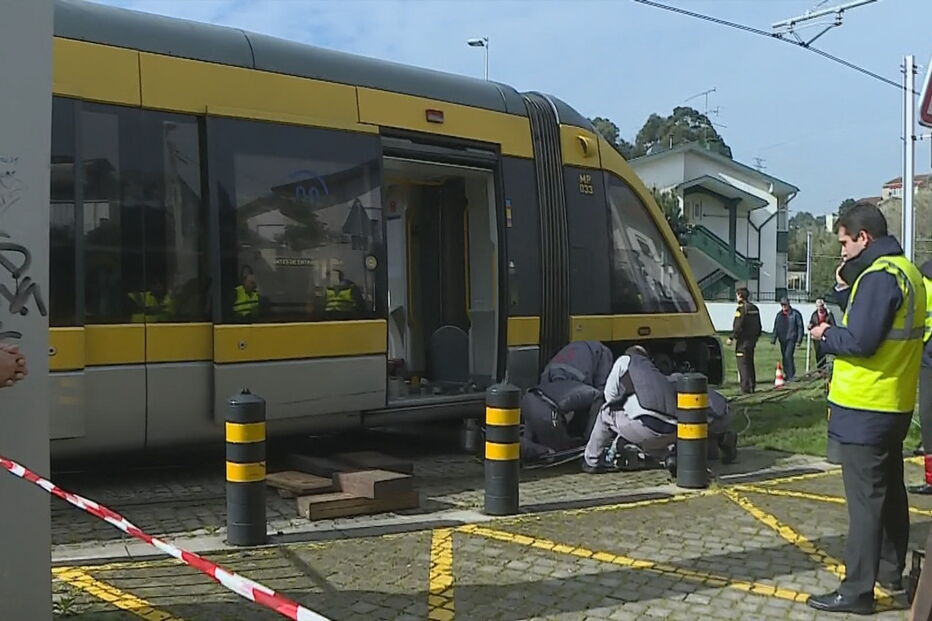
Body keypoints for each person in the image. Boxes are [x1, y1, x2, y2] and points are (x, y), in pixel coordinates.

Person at [807, 201, 924, 614]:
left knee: (865, 503)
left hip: (865, 406)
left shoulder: (878, 277)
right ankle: (890, 571)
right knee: (889, 493)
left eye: (844, 243)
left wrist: (826, 334)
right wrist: (845, 291)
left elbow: (861, 341)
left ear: (864, 237)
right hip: (894, 402)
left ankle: (857, 590)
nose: (841, 251)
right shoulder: (907, 273)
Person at [583, 346, 731, 473]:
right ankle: (669, 457)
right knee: (662, 430)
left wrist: (622, 401)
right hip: (673, 431)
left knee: (605, 412)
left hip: (645, 427)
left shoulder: (626, 360)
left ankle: (592, 461)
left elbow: (610, 395)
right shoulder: (660, 376)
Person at [910, 259, 932, 495]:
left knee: (929, 418)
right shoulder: (922, 280)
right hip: (927, 353)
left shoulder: (922, 280)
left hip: (927, 353)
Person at [726, 287, 761, 394]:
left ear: (740, 296)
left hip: (743, 341)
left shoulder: (741, 309)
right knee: (750, 362)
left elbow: (738, 325)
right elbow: (759, 325)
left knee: (743, 364)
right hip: (752, 340)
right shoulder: (754, 308)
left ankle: (745, 388)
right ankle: (752, 385)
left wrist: (731, 337)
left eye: (737, 295)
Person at [771, 297, 804, 381]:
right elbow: (776, 327)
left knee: (788, 356)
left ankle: (791, 375)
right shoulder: (779, 315)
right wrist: (774, 338)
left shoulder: (795, 314)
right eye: (782, 305)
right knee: (784, 357)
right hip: (782, 339)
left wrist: (799, 340)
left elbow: (800, 327)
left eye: (785, 304)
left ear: (788, 304)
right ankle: (787, 374)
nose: (784, 306)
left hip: (791, 338)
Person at [807, 298, 836, 370]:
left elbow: (833, 325)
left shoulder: (829, 314)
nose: (819, 308)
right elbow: (812, 322)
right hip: (817, 337)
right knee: (818, 353)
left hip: (826, 336)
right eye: (818, 306)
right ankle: (819, 369)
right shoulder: (814, 314)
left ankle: (825, 369)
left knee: (825, 353)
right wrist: (810, 326)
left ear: (823, 306)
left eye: (820, 306)